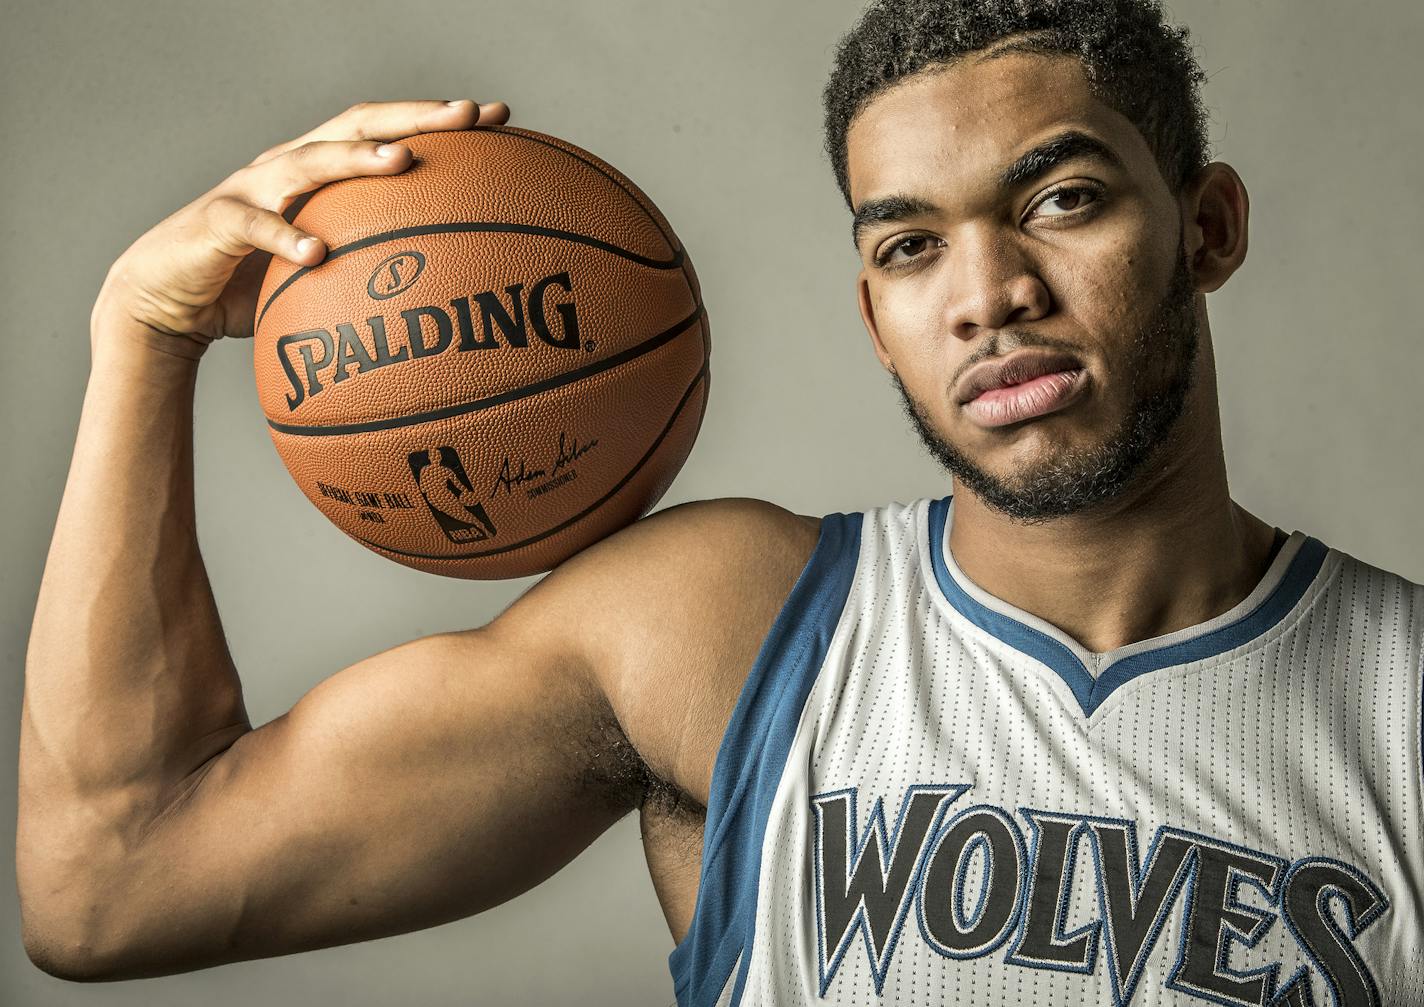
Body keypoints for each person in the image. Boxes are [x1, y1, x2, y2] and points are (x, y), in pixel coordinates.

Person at [18, 0, 1423, 1003]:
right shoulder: (728, 630)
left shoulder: (1403, 709)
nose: (990, 298)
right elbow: (110, 883)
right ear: (876, 317)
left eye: (1061, 200)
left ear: (1211, 227)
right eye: (914, 246)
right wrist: (140, 340)